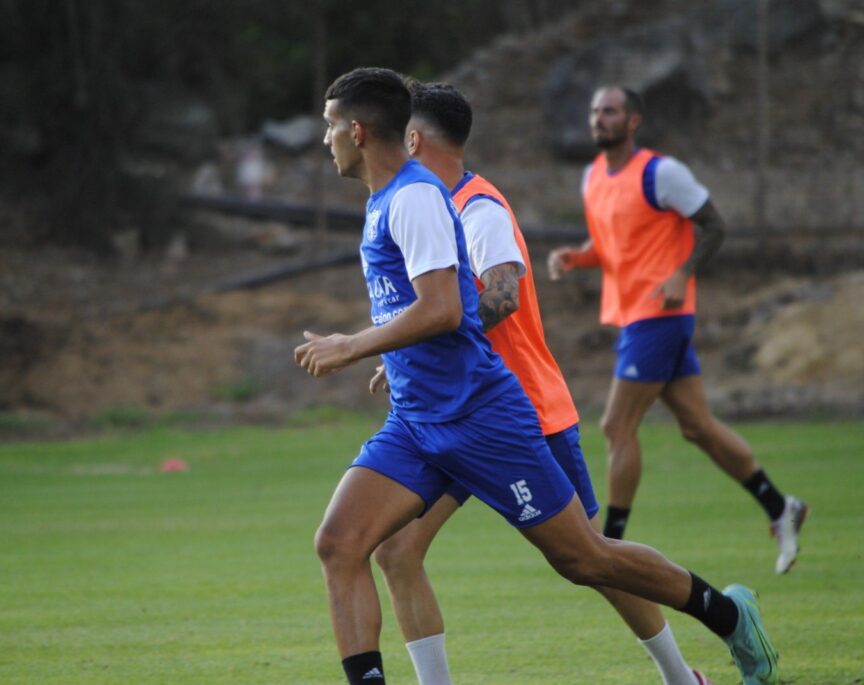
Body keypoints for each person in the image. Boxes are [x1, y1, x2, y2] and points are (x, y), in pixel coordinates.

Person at [296, 67, 778, 685]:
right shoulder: (388, 200)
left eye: (332, 125)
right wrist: (400, 360)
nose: (327, 138)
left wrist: (355, 346)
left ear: (361, 131)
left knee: (586, 558)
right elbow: (431, 309)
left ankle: (725, 616)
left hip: (488, 416)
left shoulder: (427, 199)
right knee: (344, 543)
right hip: (420, 421)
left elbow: (456, 306)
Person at [367, 80, 711, 685]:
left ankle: (686, 672)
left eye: (400, 136)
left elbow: (500, 294)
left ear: (415, 139)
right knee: (395, 550)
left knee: (592, 560)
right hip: (450, 415)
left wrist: (413, 338)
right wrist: (406, 351)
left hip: (521, 409)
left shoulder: (478, 207)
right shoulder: (421, 205)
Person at [547, 86, 808, 574]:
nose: (599, 119)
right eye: (594, 111)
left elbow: (716, 225)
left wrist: (682, 274)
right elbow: (610, 246)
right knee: (698, 427)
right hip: (634, 317)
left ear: (633, 121)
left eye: (610, 111)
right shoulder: (593, 178)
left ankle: (613, 547)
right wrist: (577, 257)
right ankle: (781, 507)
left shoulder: (661, 173)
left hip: (660, 316)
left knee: (615, 425)